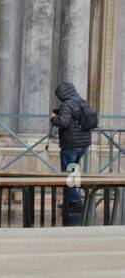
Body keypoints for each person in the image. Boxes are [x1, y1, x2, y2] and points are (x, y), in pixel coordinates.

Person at [51, 80, 95, 222]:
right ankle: (70, 200)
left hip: (70, 144)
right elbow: (73, 117)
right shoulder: (82, 101)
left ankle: (76, 202)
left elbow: (64, 122)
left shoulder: (67, 104)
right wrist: (60, 114)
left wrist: (53, 119)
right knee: (74, 171)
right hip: (83, 144)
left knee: (68, 174)